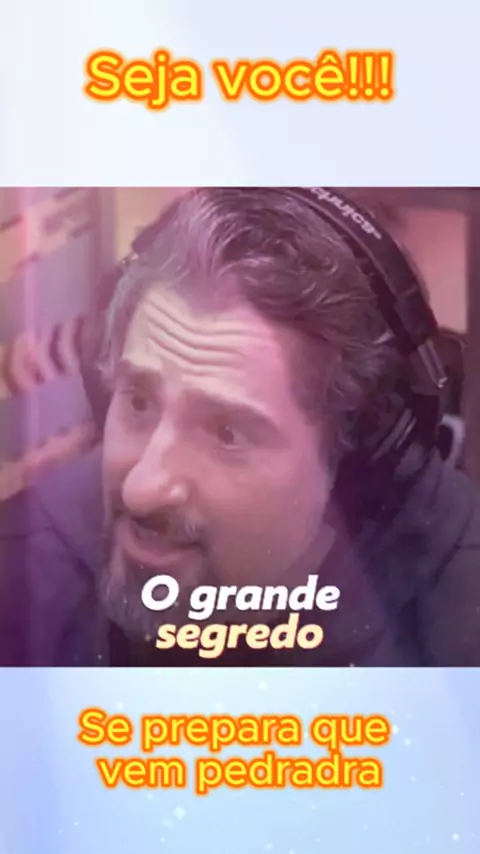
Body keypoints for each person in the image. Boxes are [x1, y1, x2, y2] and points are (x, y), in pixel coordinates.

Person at [1, 187, 480, 667]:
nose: (141, 490)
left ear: (353, 465)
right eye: (139, 402)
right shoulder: (21, 572)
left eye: (226, 433)